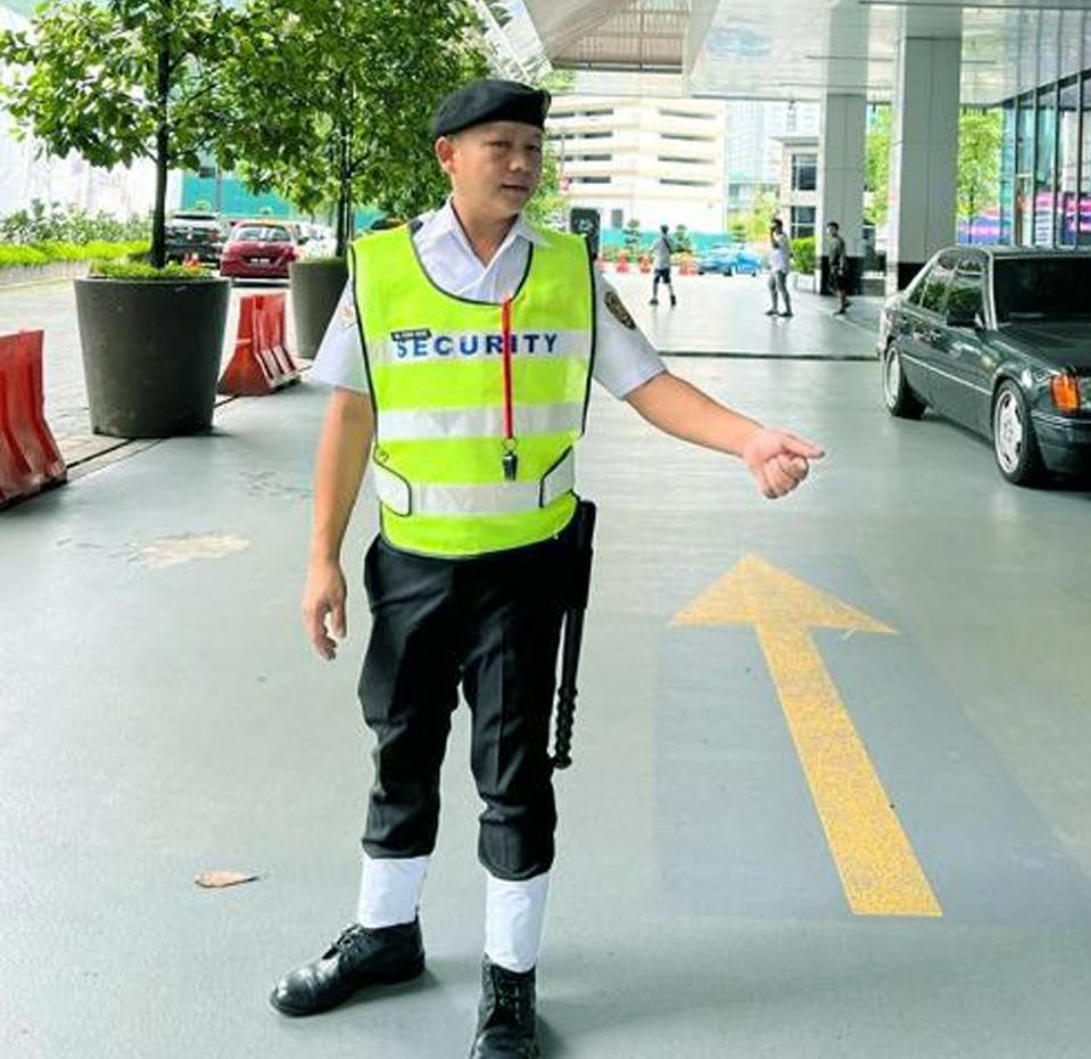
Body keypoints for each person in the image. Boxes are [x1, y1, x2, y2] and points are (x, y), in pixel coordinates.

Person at [270, 79, 823, 1056]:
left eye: (531, 147)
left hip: (524, 570)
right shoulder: (382, 267)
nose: (521, 164)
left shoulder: (569, 269)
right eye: (499, 146)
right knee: (399, 751)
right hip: (409, 562)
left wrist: (744, 439)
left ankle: (509, 984)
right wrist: (320, 559)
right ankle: (385, 936)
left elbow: (647, 385)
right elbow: (349, 415)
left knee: (513, 774)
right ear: (447, 154)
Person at [766, 217, 793, 318]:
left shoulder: (782, 237)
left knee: (782, 288)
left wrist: (770, 234)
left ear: (780, 226)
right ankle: (775, 308)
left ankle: (789, 310)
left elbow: (774, 246)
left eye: (774, 226)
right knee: (771, 285)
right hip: (775, 266)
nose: (773, 228)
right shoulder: (778, 236)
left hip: (781, 267)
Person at [649, 223, 675, 307]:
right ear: (667, 231)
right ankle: (672, 297)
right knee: (668, 282)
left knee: (655, 281)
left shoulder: (657, 241)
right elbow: (673, 250)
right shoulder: (670, 240)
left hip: (658, 265)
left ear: (661, 231)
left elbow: (651, 250)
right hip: (666, 265)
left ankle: (655, 298)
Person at [825, 220, 848, 316]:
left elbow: (842, 255)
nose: (829, 231)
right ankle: (845, 302)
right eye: (828, 229)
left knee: (840, 288)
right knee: (831, 287)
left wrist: (841, 268)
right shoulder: (831, 240)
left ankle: (842, 307)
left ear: (836, 230)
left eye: (831, 229)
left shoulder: (839, 241)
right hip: (832, 266)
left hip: (838, 266)